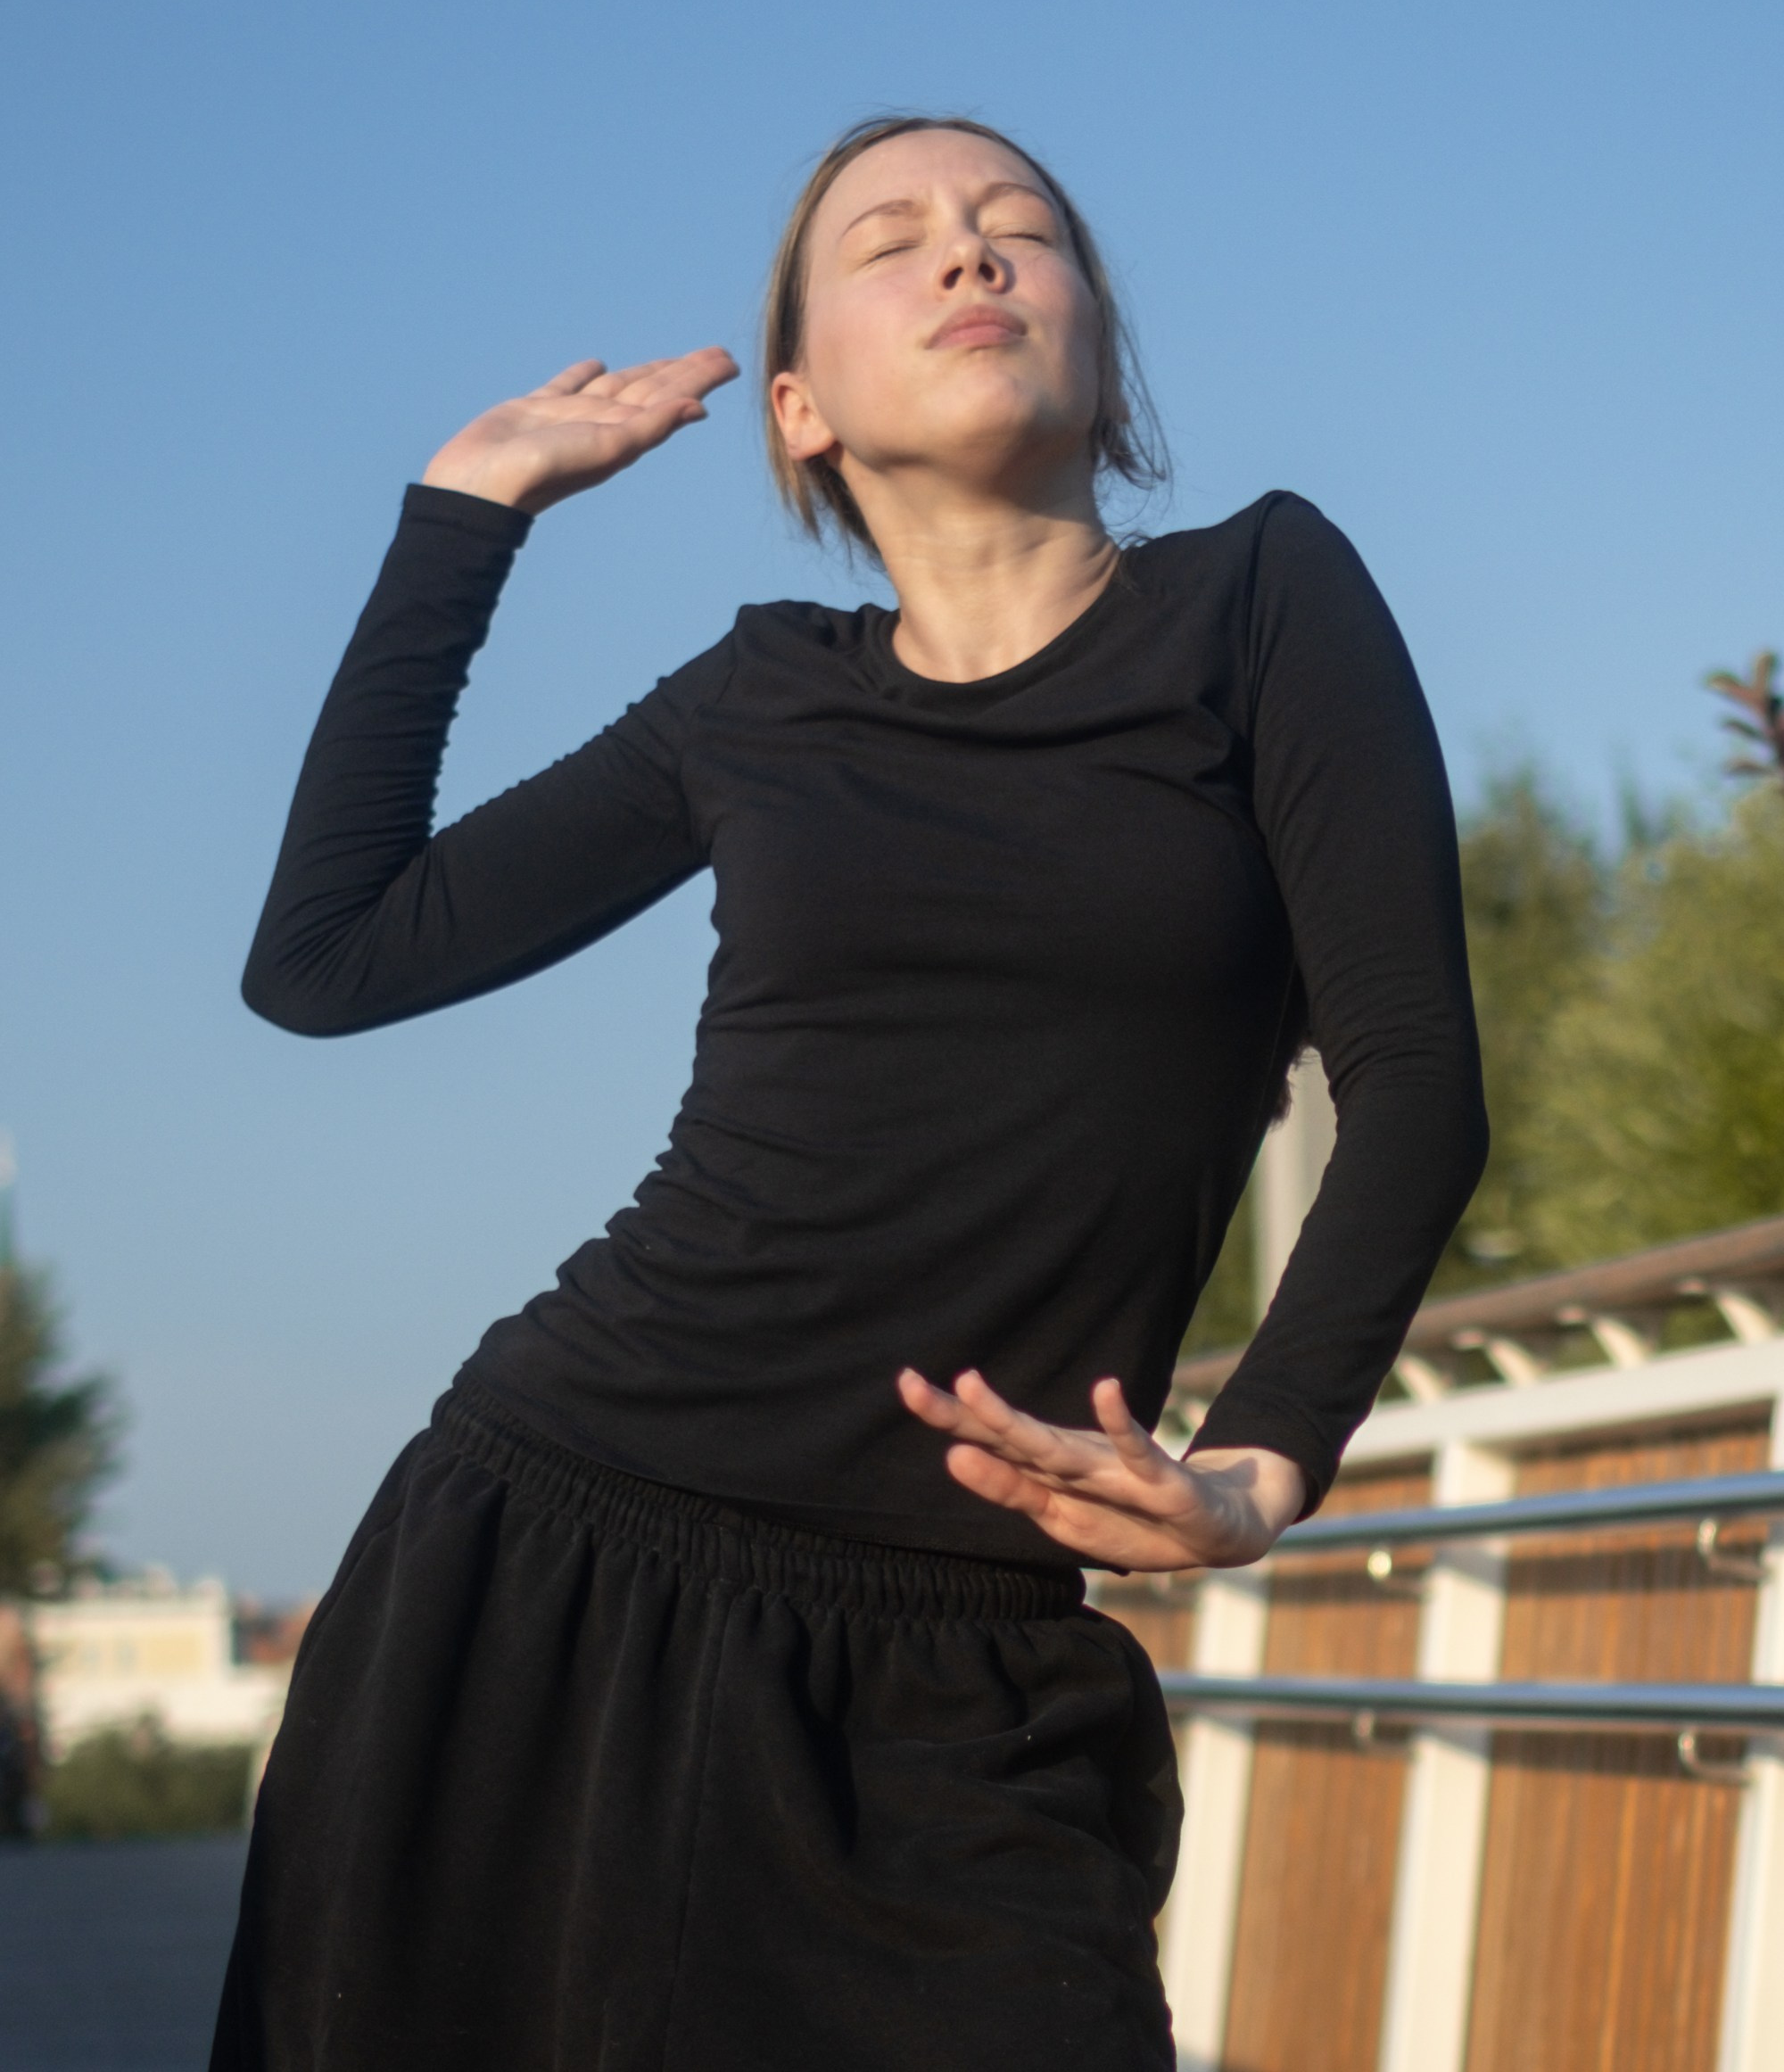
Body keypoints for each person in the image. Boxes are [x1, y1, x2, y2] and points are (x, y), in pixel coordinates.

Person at [211, 114, 1487, 2072]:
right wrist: (467, 515)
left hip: (959, 1653)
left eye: (1021, 232)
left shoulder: (1260, 605)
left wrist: (1264, 1460)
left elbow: (1410, 1084)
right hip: (546, 1561)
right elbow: (330, 958)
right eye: (895, 242)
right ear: (799, 409)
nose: (972, 258)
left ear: (1100, 349)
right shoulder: (754, 695)